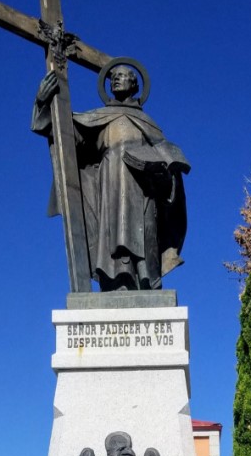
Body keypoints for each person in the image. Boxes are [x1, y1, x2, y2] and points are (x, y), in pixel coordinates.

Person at [32, 65, 189, 291]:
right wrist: (42, 102)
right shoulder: (98, 118)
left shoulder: (148, 123)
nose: (116, 80)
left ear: (134, 84)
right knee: (111, 232)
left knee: (144, 232)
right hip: (108, 186)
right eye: (113, 77)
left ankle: (146, 279)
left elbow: (167, 156)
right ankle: (116, 281)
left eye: (123, 76)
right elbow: (63, 131)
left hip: (142, 187)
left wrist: (166, 171)